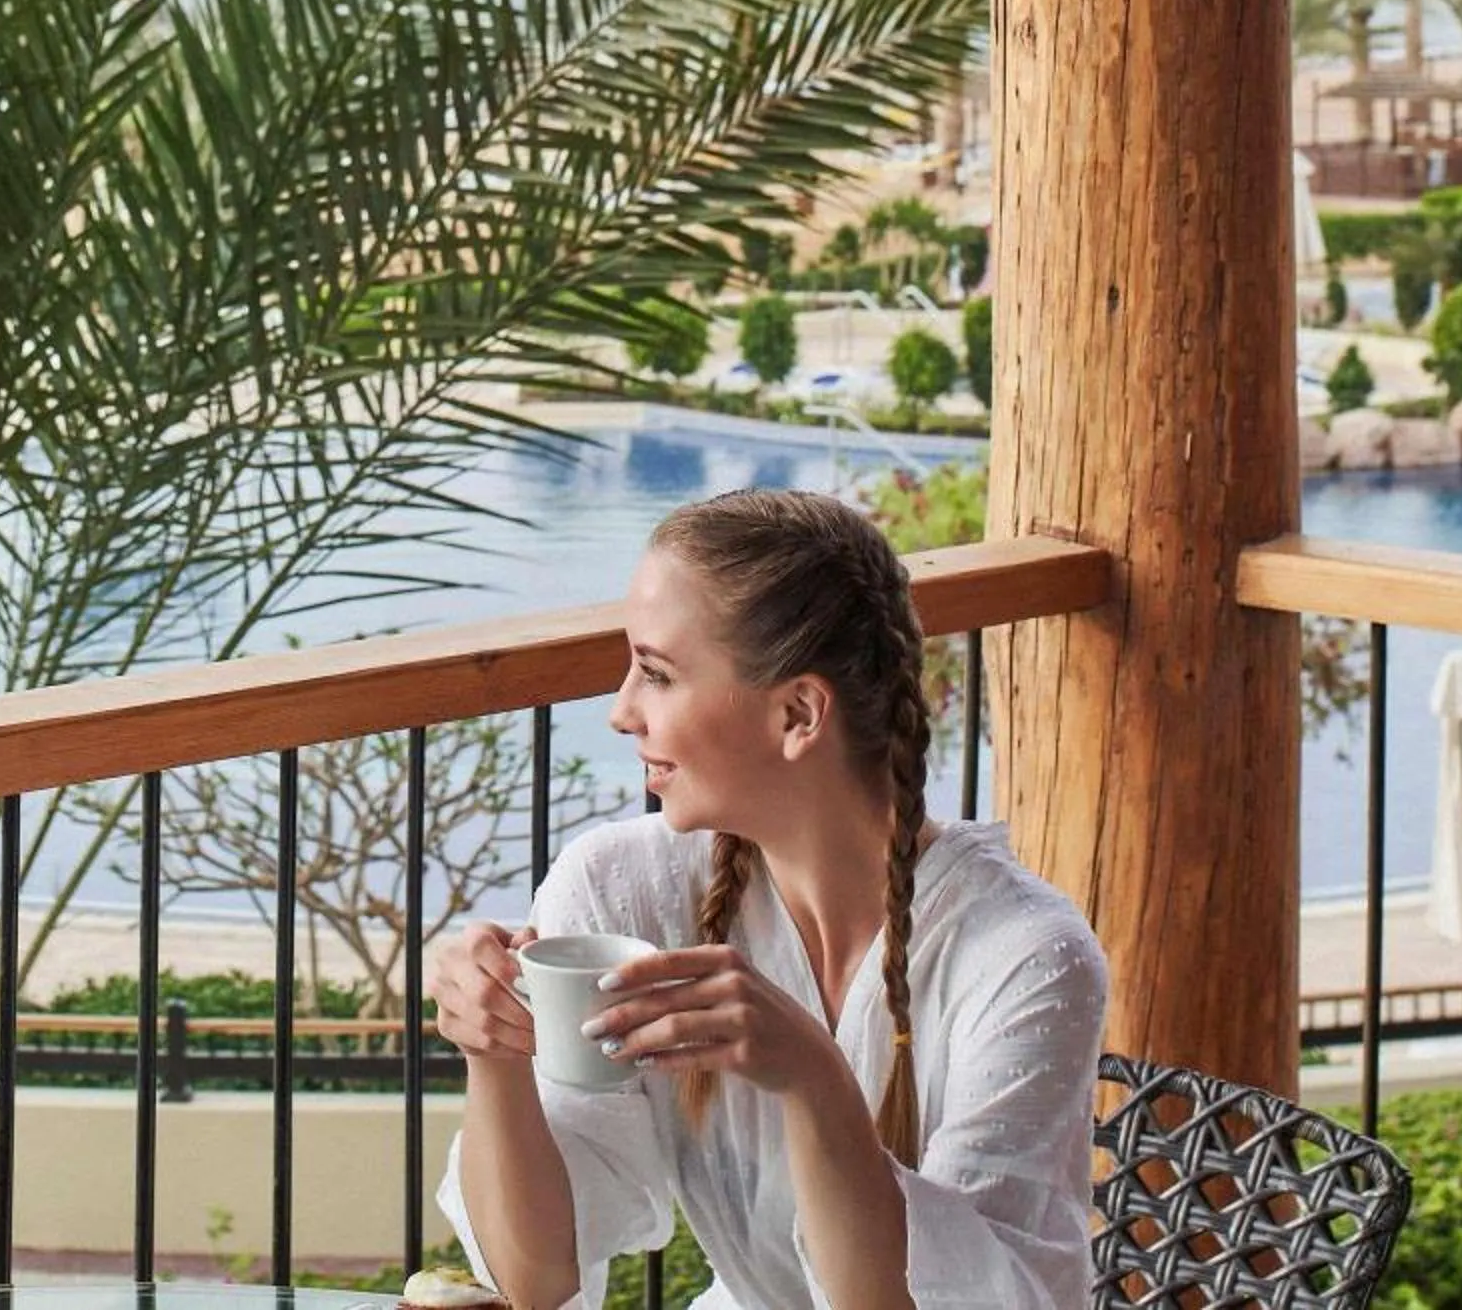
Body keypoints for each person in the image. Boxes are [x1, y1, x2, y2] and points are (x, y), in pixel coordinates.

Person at [426, 490, 1106, 1310]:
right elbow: (537, 1280)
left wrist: (815, 1084)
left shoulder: (1023, 957)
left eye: (657, 674)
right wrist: (493, 1051)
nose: (619, 713)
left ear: (797, 714)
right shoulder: (619, 889)